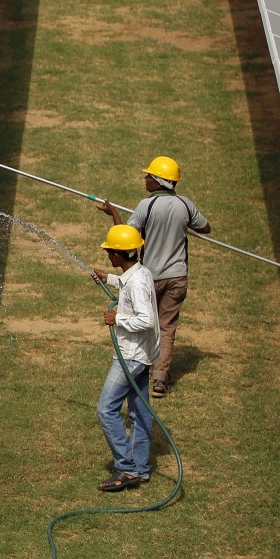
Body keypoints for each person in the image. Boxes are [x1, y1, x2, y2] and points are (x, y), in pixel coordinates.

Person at [97, 156, 210, 397]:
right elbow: (205, 227)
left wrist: (113, 213)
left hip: (150, 277)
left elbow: (126, 236)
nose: (145, 179)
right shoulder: (185, 205)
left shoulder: (146, 206)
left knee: (146, 322)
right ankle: (159, 379)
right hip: (178, 277)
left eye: (149, 176)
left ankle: (141, 368)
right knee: (166, 327)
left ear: (159, 182)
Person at [92, 224, 160, 491]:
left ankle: (127, 467)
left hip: (130, 358)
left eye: (110, 251)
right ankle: (141, 469)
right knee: (139, 412)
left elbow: (146, 319)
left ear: (119, 255)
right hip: (143, 356)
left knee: (106, 409)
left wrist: (116, 318)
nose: (108, 254)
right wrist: (107, 278)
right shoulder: (140, 273)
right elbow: (127, 283)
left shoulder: (137, 283)